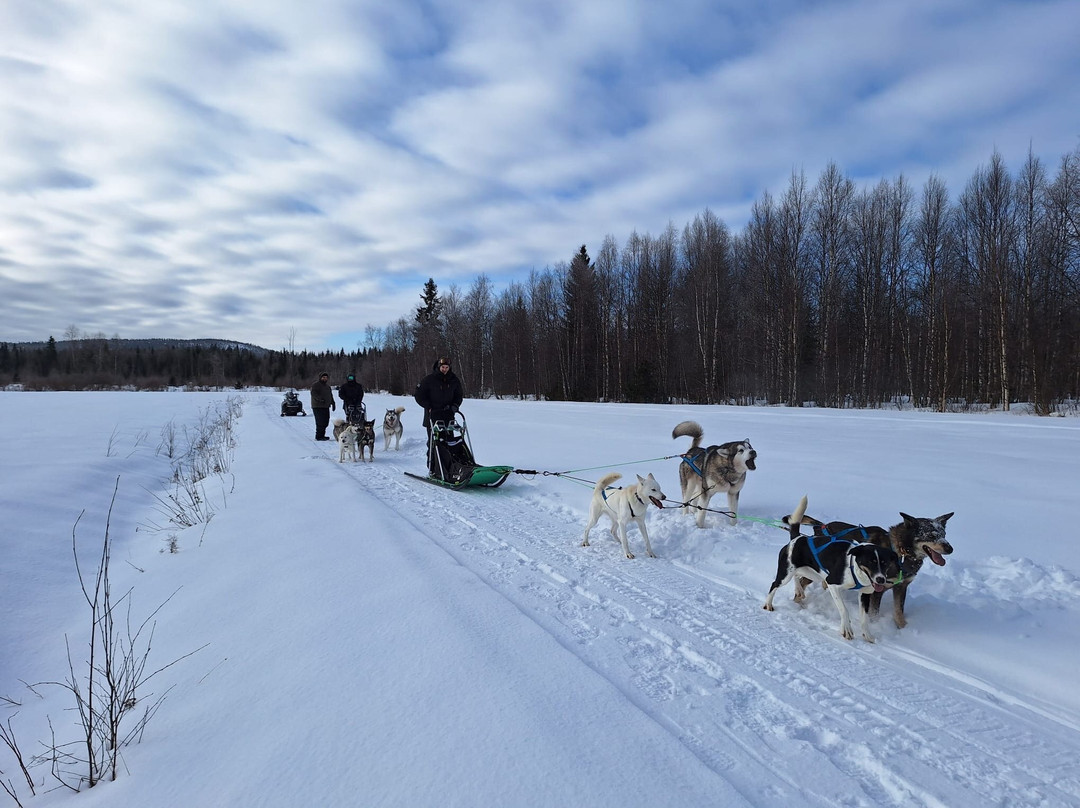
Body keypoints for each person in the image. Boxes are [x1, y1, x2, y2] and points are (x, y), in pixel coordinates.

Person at [414, 356, 463, 463]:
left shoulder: (454, 380)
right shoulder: (429, 379)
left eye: (446, 367)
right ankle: (433, 468)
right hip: (432, 416)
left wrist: (455, 406)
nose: (444, 369)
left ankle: (451, 467)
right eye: (443, 367)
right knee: (434, 443)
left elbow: (459, 395)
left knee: (450, 442)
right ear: (438, 367)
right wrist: (429, 406)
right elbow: (419, 395)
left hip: (448, 416)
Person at [309, 371, 336, 441]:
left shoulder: (327, 387)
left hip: (326, 406)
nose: (325, 379)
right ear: (320, 378)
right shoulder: (316, 385)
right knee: (320, 422)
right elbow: (313, 393)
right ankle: (319, 436)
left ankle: (322, 435)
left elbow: (330, 395)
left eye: (326, 377)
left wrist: (333, 403)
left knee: (325, 421)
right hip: (317, 406)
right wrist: (320, 399)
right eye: (323, 377)